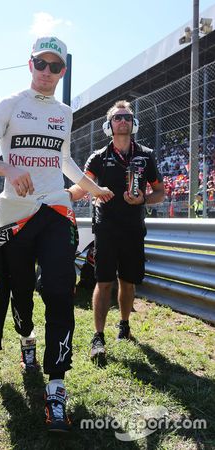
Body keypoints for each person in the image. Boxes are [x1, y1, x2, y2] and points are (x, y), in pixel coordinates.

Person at [0, 36, 113, 432]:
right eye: (41, 64)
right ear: (30, 64)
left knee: (60, 291)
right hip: (15, 216)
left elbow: (62, 158)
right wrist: (7, 169)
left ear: (62, 71)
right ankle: (26, 339)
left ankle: (57, 384)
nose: (47, 73)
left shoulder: (64, 112)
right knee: (21, 292)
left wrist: (92, 187)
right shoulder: (9, 104)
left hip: (57, 210)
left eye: (55, 66)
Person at [68, 100, 164, 361]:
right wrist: (68, 194)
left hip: (133, 227)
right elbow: (81, 186)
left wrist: (143, 199)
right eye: (118, 118)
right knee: (103, 280)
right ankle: (98, 337)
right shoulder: (98, 157)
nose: (123, 121)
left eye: (127, 117)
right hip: (106, 227)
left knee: (128, 280)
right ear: (108, 125)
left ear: (134, 124)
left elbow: (160, 192)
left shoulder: (146, 155)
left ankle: (124, 326)